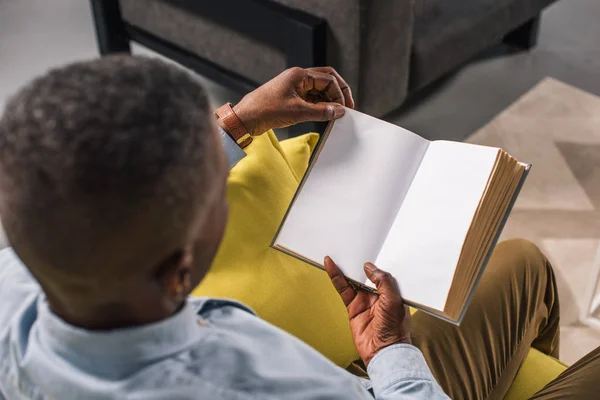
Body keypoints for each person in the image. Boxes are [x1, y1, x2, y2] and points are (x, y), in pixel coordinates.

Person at [0, 56, 597, 400]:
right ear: (182, 267)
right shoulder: (257, 383)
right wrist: (391, 352)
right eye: (218, 188)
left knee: (520, 263)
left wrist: (238, 119)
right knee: (529, 272)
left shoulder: (16, 281)